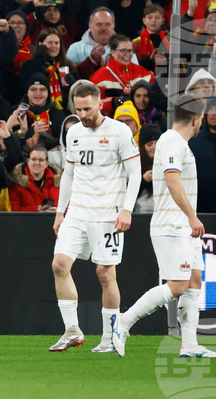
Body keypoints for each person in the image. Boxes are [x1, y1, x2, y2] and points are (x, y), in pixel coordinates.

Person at [111, 96, 216, 359]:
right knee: (178, 286)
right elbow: (172, 182)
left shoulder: (179, 142)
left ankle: (190, 344)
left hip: (183, 226)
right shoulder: (172, 141)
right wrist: (192, 216)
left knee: (194, 281)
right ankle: (124, 322)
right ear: (197, 119)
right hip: (172, 224)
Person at [50, 81, 140, 353]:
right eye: (78, 109)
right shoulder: (74, 132)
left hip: (107, 213)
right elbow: (69, 172)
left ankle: (110, 337)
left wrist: (127, 209)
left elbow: (135, 172)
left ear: (100, 104)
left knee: (104, 274)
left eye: (88, 108)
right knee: (59, 265)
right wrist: (59, 211)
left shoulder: (119, 131)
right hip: (77, 211)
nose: (84, 114)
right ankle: (72, 330)